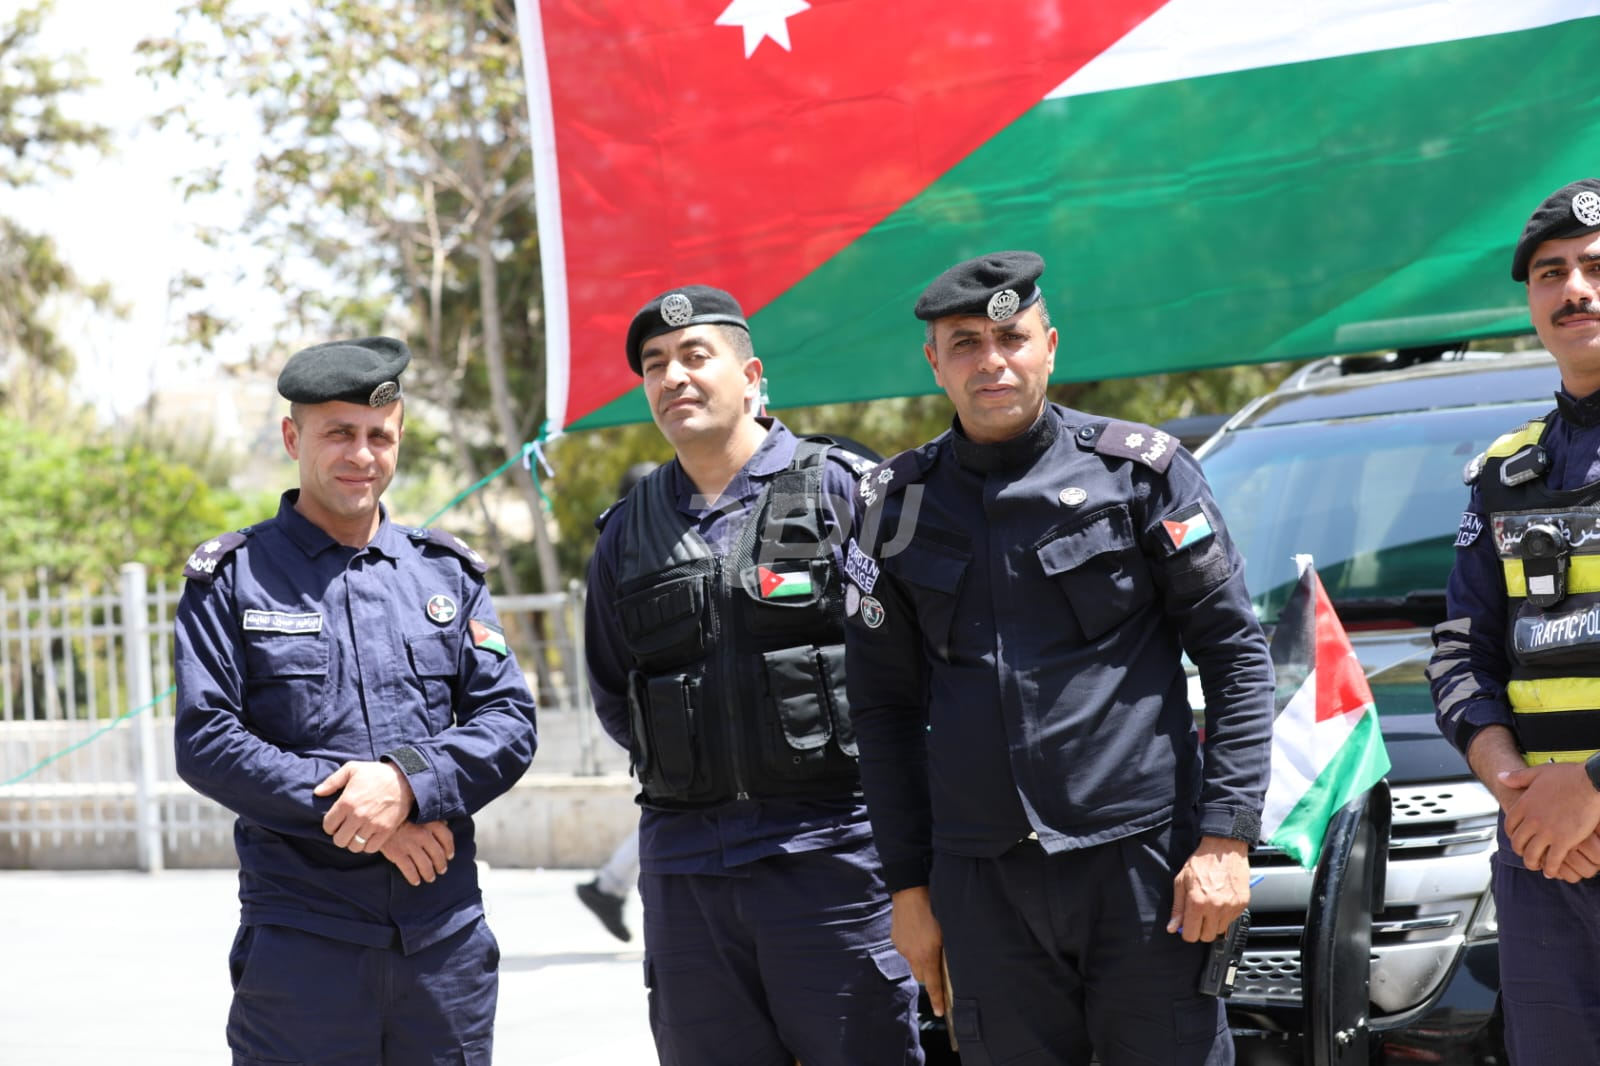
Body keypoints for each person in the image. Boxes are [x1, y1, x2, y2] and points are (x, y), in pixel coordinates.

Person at [842, 251, 1275, 1065]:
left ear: (1050, 346)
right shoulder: (893, 507)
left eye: (1012, 337)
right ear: (934, 363)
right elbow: (882, 711)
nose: (992, 361)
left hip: (1144, 868)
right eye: (965, 343)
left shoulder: (1139, 473)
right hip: (982, 888)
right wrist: (907, 888)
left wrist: (1227, 838)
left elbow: (1235, 658)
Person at [173, 336, 538, 1065]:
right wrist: (364, 816)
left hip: (442, 946)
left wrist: (405, 784)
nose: (362, 455)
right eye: (339, 433)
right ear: (292, 438)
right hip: (304, 946)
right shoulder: (233, 578)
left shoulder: (446, 574)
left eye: (380, 436)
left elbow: (508, 721)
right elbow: (208, 740)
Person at [584, 285, 924, 1065]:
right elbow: (614, 692)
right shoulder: (625, 533)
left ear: (750, 375)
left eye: (694, 355)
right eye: (655, 364)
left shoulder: (844, 489)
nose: (673, 376)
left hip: (835, 859)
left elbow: (916, 670)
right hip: (688, 875)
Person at [1429, 177, 1600, 1064]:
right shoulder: (1506, 471)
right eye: (1551, 273)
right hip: (1542, 856)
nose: (1576, 290)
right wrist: (1515, 787)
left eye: (1596, 267)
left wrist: (1590, 787)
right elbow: (1462, 649)